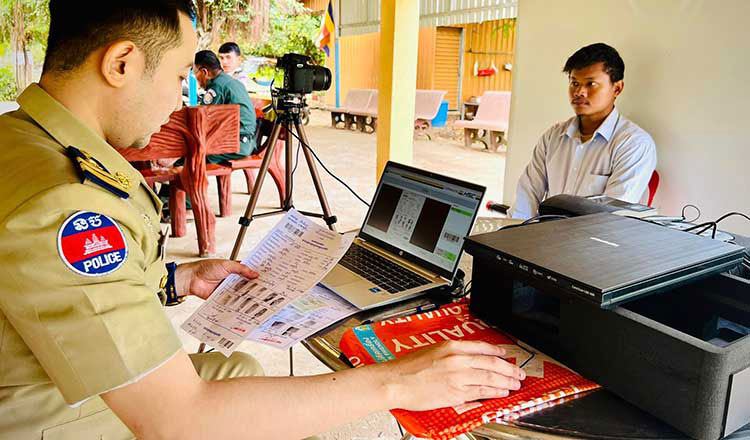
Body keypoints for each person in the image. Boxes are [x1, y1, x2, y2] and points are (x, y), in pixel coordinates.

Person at [0, 2, 526, 439]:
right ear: (121, 64)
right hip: (43, 413)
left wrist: (176, 278)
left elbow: (49, 285)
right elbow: (177, 421)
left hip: (38, 365)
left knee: (238, 371)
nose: (184, 96)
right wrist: (397, 383)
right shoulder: (67, 203)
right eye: (181, 75)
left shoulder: (21, 138)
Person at [509, 43, 657, 219]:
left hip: (595, 243)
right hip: (547, 237)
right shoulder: (553, 137)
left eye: (591, 84)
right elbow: (527, 195)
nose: (579, 92)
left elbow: (610, 220)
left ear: (617, 88)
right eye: (574, 83)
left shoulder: (633, 144)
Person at [193, 49, 257, 162]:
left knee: (190, 157)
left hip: (236, 146)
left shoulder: (217, 87)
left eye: (195, 73)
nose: (196, 78)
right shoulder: (230, 81)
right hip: (246, 143)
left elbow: (202, 119)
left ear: (204, 72)